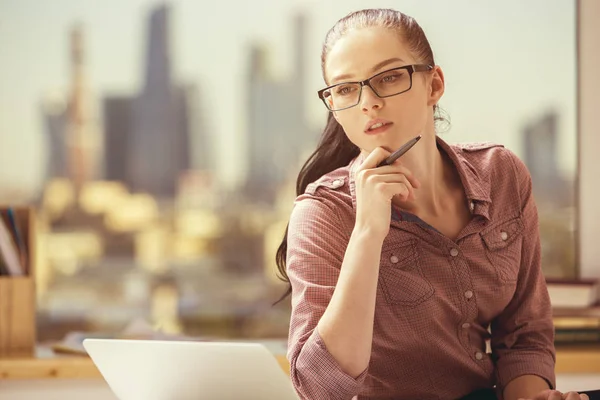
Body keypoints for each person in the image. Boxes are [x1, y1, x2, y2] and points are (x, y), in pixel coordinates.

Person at [274, 8, 598, 400]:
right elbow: (319, 387)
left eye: (389, 77)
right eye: (345, 89)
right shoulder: (323, 214)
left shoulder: (502, 174)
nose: (368, 102)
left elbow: (524, 334)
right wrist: (367, 233)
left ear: (434, 85)